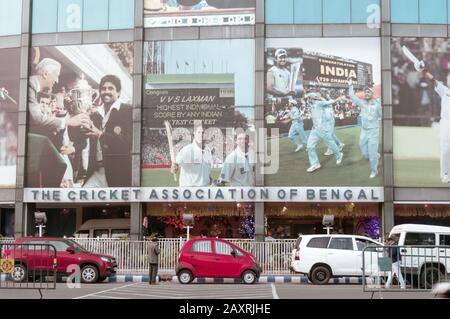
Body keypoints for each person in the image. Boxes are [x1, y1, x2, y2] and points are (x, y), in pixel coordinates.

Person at [83, 75, 133, 187]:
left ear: (119, 92)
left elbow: (128, 142)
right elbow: (83, 139)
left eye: (111, 88)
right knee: (83, 201)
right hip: (95, 172)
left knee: (117, 205)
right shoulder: (95, 114)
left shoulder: (128, 111)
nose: (106, 91)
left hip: (118, 173)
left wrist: (100, 135)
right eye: (103, 88)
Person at [416, 61, 450, 183]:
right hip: (446, 123)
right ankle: (445, 174)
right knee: (445, 149)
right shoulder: (445, 90)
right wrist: (423, 71)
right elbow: (433, 80)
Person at [348, 78, 382, 179]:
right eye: (365, 92)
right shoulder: (362, 103)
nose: (366, 93)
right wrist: (350, 85)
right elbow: (352, 97)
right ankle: (375, 155)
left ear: (372, 94)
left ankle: (374, 170)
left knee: (371, 154)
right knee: (363, 149)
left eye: (368, 92)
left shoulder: (377, 105)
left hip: (373, 131)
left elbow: (382, 115)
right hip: (364, 131)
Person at [305, 93, 344, 173]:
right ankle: (315, 164)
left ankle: (339, 155)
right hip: (314, 129)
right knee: (310, 147)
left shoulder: (319, 103)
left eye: (308, 98)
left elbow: (330, 102)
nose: (307, 100)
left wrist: (338, 99)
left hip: (322, 129)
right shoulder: (311, 106)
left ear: (312, 98)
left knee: (331, 143)